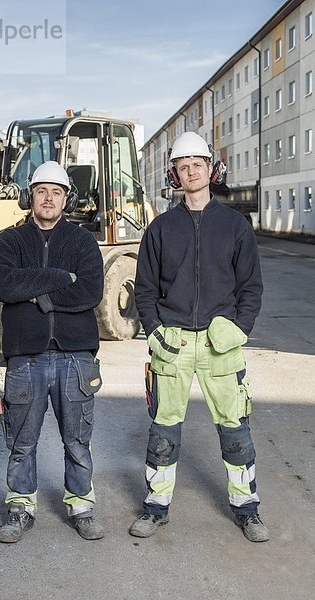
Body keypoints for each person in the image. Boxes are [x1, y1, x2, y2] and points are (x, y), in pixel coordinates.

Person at [129, 132, 269, 543]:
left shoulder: (234, 225)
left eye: (198, 165)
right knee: (163, 432)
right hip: (172, 344)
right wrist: (155, 332)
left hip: (219, 345)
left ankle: (247, 508)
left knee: (236, 430)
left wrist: (239, 330)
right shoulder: (160, 228)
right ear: (175, 174)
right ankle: (156, 507)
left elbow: (251, 288)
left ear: (211, 169)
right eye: (183, 166)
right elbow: (145, 290)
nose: (191, 172)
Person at [0, 161, 104, 542]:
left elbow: (90, 292)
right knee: (22, 441)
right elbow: (6, 287)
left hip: (76, 357)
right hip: (26, 357)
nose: (49, 198)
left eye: (56, 192)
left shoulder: (83, 242)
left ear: (66, 198)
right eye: (42, 191)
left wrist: (36, 294)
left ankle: (81, 506)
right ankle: (20, 508)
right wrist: (58, 279)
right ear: (31, 196)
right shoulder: (10, 241)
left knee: (77, 439)